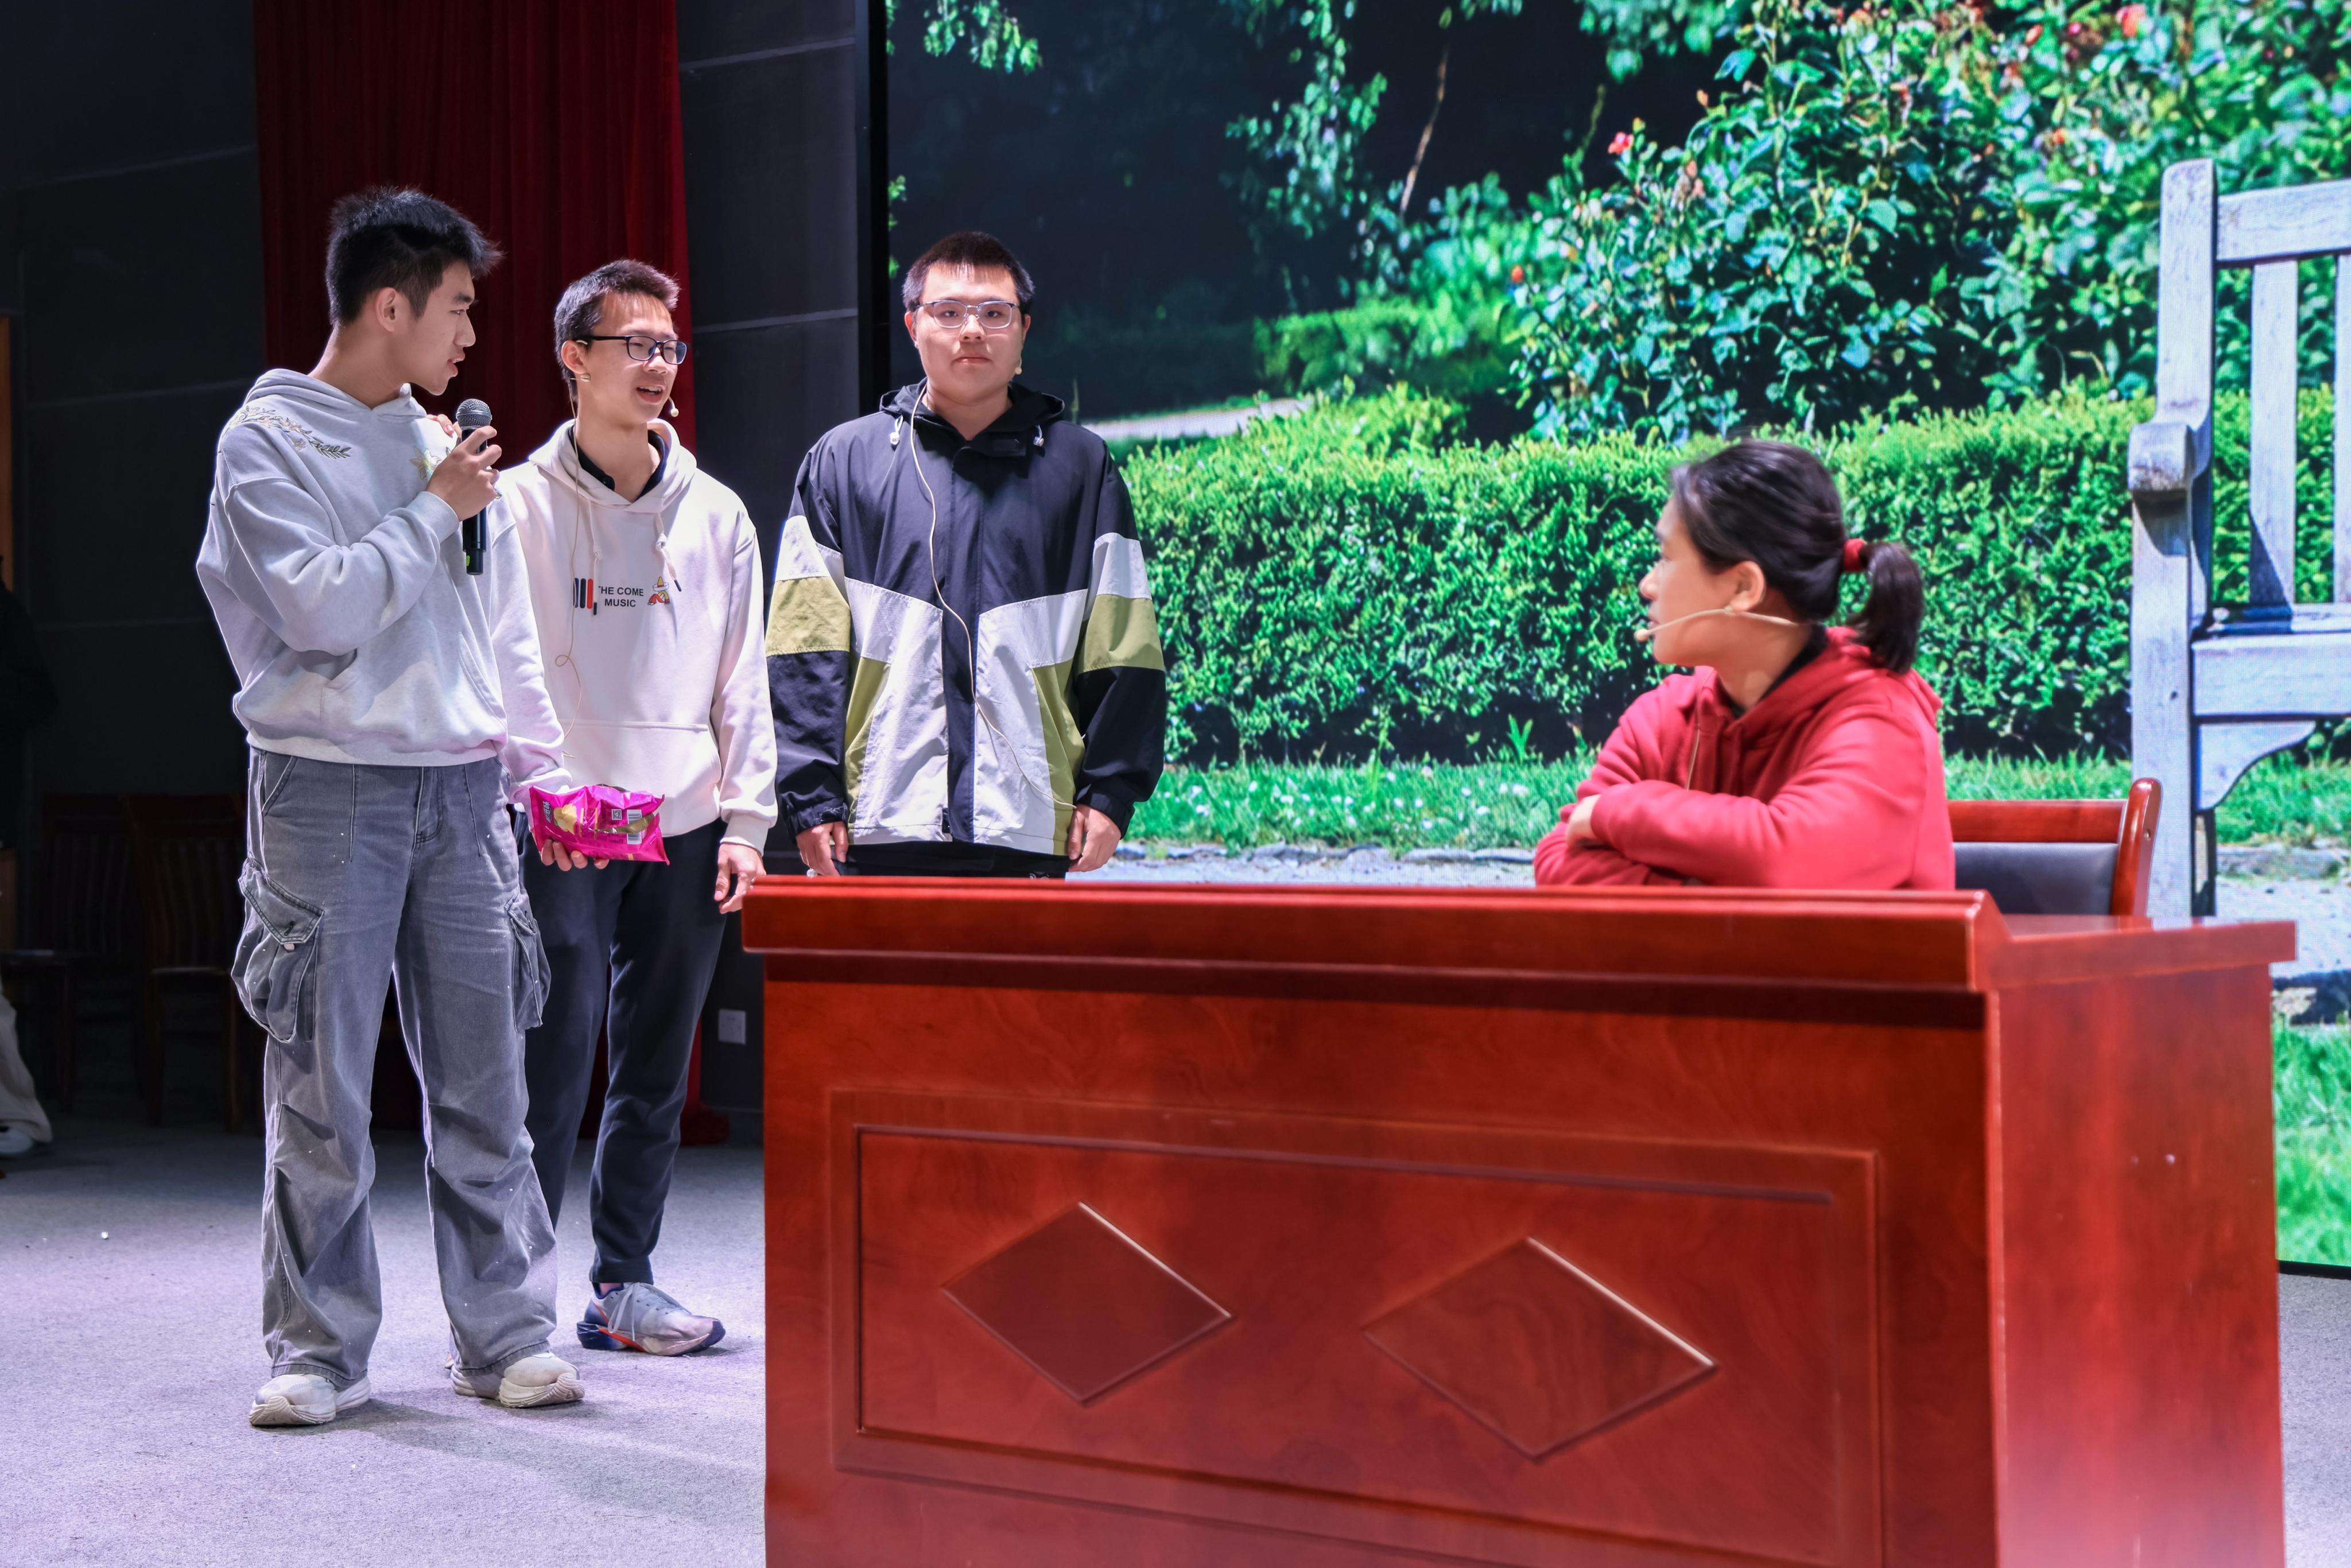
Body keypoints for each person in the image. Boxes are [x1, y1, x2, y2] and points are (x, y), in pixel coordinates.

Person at [196, 188, 587, 1428]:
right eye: (457, 308)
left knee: (488, 1080)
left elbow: (499, 628)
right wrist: (433, 511)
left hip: (462, 788)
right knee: (319, 1087)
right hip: (325, 786)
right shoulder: (266, 442)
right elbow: (318, 608)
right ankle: (318, 1349)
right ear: (387, 306)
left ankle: (506, 1333)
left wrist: (538, 774)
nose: (470, 334)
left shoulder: (442, 446)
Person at [502, 259, 774, 1354]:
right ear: (576, 357)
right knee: (552, 1057)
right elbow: (509, 661)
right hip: (566, 817)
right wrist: (543, 786)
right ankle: (508, 1299)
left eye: (670, 347)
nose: (659, 365)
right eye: (636, 345)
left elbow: (742, 675)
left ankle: (624, 1280)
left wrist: (747, 822)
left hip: (685, 813)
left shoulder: (717, 512)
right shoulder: (519, 502)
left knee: (658, 1061)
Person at [767, 231, 1166, 878]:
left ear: (1024, 329)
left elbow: (1123, 646)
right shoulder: (842, 462)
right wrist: (810, 798)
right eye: (948, 311)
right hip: (877, 822)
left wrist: (1111, 791)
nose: (972, 330)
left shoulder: (1082, 467)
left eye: (994, 313)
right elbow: (802, 651)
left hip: (1031, 821)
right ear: (913, 326)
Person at [1534, 440, 1953, 890]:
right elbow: (1559, 860)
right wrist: (1700, 894)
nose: (1646, 585)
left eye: (1667, 558)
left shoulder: (1881, 723)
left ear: (1742, 589)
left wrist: (1618, 811)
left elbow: (1790, 859)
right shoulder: (1661, 720)